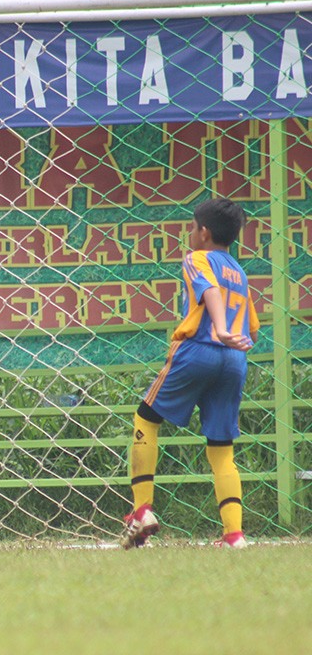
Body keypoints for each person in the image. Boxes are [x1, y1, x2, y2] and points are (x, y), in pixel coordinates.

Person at [120, 197, 258, 550]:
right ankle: (234, 536)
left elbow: (208, 290)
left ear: (204, 232)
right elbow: (253, 329)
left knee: (146, 419)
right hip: (234, 360)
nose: (190, 233)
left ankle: (142, 511)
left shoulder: (197, 258)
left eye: (193, 227)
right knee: (222, 450)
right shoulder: (239, 272)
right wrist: (234, 337)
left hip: (199, 349)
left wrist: (221, 328)